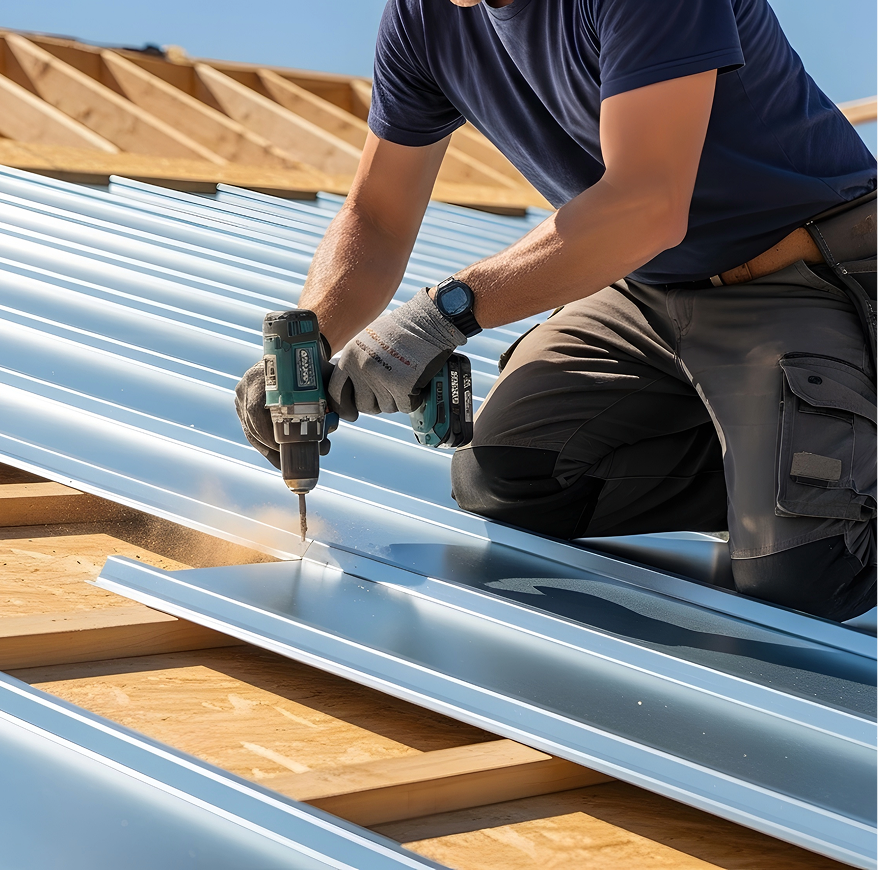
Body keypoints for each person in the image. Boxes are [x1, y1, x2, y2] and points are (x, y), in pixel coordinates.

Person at [236, 0, 878, 621]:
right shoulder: (424, 16)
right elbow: (375, 215)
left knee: (808, 574)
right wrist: (309, 343)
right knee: (505, 475)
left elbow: (647, 202)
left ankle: (826, 477)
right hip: (651, 294)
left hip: (804, 277)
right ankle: (793, 462)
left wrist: (440, 316)